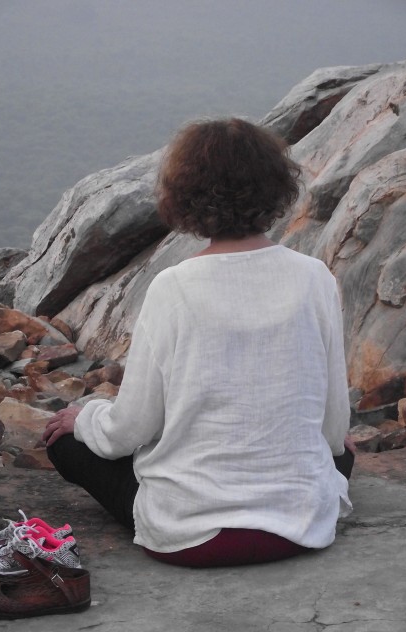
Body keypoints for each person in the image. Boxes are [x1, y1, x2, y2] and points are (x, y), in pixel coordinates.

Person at [43, 118, 354, 568]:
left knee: (64, 442)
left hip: (192, 537)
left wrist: (85, 418)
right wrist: (333, 452)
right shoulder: (315, 278)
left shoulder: (173, 287)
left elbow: (131, 430)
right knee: (341, 457)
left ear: (185, 195)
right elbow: (333, 426)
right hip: (302, 526)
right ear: (275, 188)